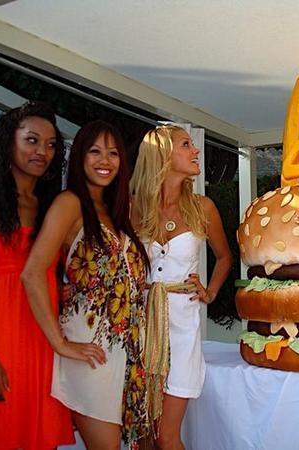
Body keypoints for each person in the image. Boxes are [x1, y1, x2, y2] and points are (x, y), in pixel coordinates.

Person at [22, 120, 151, 449]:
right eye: (95, 151)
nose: (104, 160)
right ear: (79, 157)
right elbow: (32, 272)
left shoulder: (121, 210)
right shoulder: (70, 203)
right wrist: (60, 344)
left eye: (112, 153)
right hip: (90, 350)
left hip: (130, 350)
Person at [130, 125, 232, 449]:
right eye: (186, 144)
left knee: (166, 437)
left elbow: (225, 256)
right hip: (141, 329)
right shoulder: (133, 207)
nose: (196, 150)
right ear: (162, 154)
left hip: (183, 329)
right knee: (143, 434)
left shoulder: (203, 208)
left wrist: (211, 292)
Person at [0, 102, 75, 449]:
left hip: (44, 333)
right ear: (7, 141)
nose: (42, 151)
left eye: (51, 144)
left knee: (37, 431)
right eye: (31, 140)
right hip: (2, 332)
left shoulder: (52, 204)